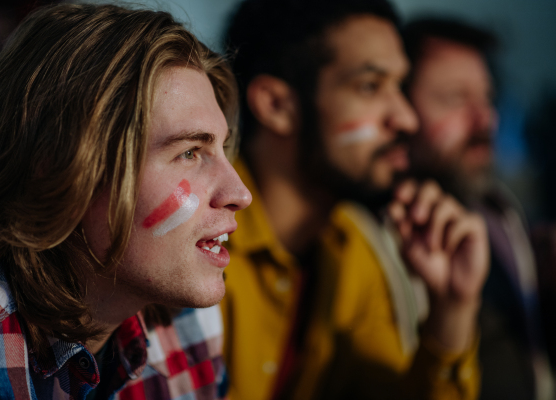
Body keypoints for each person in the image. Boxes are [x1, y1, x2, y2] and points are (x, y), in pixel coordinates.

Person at [0, 4, 251, 399]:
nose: (239, 195)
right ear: (62, 167)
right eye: (190, 152)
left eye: (221, 147)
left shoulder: (188, 326)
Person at [221, 0, 489, 399]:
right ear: (277, 105)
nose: (406, 119)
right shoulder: (195, 237)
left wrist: (452, 310)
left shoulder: (352, 249)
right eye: (370, 86)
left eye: (399, 86)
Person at [403, 17, 554, 400]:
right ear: (399, 107)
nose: (486, 119)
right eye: (455, 98)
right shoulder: (381, 234)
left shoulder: (499, 212)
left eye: (487, 98)